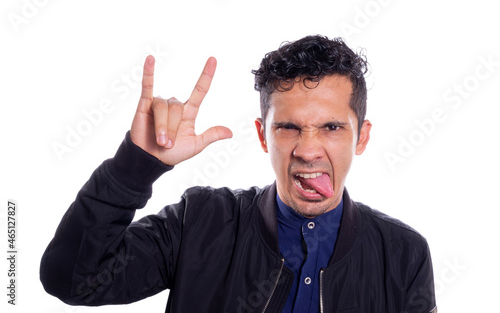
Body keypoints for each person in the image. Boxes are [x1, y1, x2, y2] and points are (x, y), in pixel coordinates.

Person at [40, 35, 437, 312]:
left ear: (361, 137)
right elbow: (73, 280)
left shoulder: (403, 254)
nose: (308, 150)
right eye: (289, 127)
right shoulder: (200, 221)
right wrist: (135, 165)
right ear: (264, 136)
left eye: (332, 128)